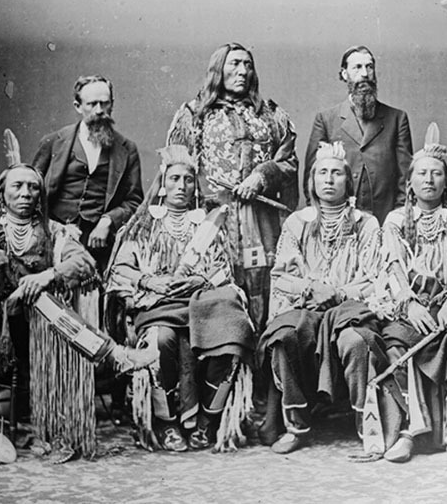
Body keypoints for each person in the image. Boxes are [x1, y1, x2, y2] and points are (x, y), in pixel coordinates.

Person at [0, 163, 153, 458]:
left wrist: (48, 275)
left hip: (47, 327)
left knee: (43, 302)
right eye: (17, 186)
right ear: (2, 192)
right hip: (0, 325)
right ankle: (114, 356)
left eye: (33, 187)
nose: (26, 193)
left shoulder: (53, 231)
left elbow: (84, 263)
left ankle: (60, 424)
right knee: (42, 304)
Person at [105, 145, 256, 453]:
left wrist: (199, 281)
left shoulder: (209, 225)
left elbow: (224, 270)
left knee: (232, 337)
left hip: (203, 304)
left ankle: (208, 420)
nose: (181, 186)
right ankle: (167, 423)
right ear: (163, 183)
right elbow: (120, 270)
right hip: (158, 306)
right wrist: (149, 281)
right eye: (174, 179)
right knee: (162, 340)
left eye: (188, 180)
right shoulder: (143, 226)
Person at [258, 142, 398, 455]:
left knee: (357, 341)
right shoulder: (297, 223)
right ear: (312, 181)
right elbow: (281, 277)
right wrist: (311, 289)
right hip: (306, 307)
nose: (329, 179)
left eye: (337, 173)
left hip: (349, 310)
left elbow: (376, 278)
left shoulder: (366, 224)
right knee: (284, 337)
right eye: (322, 172)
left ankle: (367, 423)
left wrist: (337, 293)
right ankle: (296, 424)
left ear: (348, 181)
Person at [166, 43, 298, 336]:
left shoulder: (271, 115)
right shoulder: (193, 115)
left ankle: (265, 354)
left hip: (263, 222)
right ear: (218, 69)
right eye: (235, 63)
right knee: (215, 284)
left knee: (266, 282)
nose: (243, 71)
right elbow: (177, 168)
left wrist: (262, 176)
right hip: (211, 221)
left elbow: (289, 162)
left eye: (248, 64)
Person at [376, 137, 447, 465]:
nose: (429, 180)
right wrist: (409, 304)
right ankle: (410, 430)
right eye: (422, 173)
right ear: (409, 181)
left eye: (436, 173)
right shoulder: (395, 221)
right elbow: (393, 267)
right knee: (396, 345)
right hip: (413, 307)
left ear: (445, 181)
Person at [32, 74, 143, 272]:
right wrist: (52, 228)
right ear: (78, 106)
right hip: (55, 237)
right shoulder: (53, 142)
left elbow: (134, 201)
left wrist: (107, 221)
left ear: (112, 104)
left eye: (105, 103)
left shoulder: (127, 149)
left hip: (99, 243)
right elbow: (31, 190)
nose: (99, 110)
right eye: (92, 104)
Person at [304, 45, 413, 226]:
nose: (365, 74)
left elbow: (406, 178)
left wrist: (397, 219)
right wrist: (322, 220)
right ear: (344, 74)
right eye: (357, 67)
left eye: (369, 67)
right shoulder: (326, 120)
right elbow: (312, 176)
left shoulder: (397, 118)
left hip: (385, 221)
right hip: (337, 222)